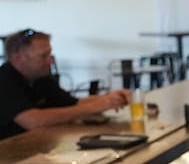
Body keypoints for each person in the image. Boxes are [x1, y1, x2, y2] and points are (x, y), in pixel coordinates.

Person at [0, 28, 130, 140]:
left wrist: (110, 98)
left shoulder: (40, 78)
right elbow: (32, 121)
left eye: (50, 54)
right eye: (43, 56)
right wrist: (94, 107)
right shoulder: (4, 80)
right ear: (18, 58)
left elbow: (73, 103)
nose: (51, 60)